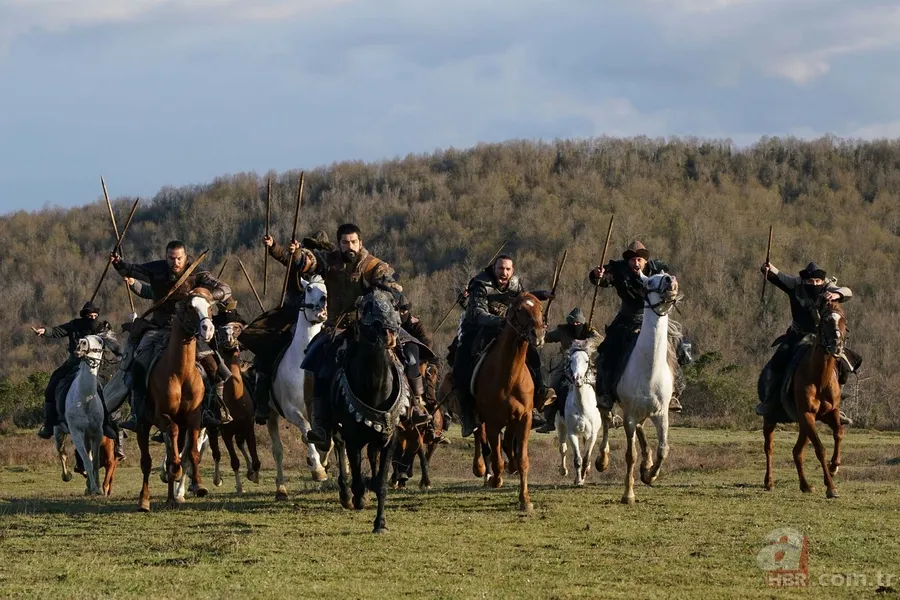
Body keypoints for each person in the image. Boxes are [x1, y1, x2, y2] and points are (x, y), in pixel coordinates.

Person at [293, 223, 414, 452]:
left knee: (411, 353)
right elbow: (308, 261)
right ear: (339, 243)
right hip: (337, 329)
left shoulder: (373, 265)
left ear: (361, 242)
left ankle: (416, 407)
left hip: (371, 328)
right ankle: (321, 426)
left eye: (354, 242)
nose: (350, 246)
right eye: (345, 242)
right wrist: (289, 252)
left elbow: (391, 285)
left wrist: (394, 294)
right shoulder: (329, 260)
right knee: (316, 361)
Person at [112, 240, 232, 431]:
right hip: (158, 328)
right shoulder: (156, 269)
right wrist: (118, 263)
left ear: (186, 257)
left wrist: (206, 296)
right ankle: (137, 413)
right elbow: (132, 270)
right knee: (138, 364)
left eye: (179, 258)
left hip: (188, 331)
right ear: (166, 257)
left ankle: (213, 409)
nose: (175, 262)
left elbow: (226, 289)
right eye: (171, 258)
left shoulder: (198, 273)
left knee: (212, 365)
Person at [452, 254, 556, 437]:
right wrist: (501, 321)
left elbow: (522, 298)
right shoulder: (480, 283)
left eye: (508, 269)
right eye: (501, 268)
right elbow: (478, 312)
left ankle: (538, 394)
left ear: (512, 271)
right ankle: (468, 414)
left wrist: (541, 295)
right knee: (461, 364)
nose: (504, 273)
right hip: (477, 327)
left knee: (530, 351)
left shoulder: (515, 283)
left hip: (506, 326)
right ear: (494, 269)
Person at [589, 240, 690, 412]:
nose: (636, 263)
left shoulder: (657, 270)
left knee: (676, 346)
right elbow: (604, 278)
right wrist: (597, 275)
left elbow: (670, 285)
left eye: (639, 260)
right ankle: (605, 394)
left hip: (653, 319)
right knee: (608, 351)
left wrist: (673, 285)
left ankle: (673, 393)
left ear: (645, 261)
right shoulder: (618, 269)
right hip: (626, 319)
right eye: (632, 260)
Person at [245, 230, 333, 425]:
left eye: (318, 248)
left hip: (324, 316)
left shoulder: (329, 266)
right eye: (312, 247)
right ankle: (262, 401)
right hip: (292, 314)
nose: (315, 252)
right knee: (267, 351)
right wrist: (273, 245)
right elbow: (286, 257)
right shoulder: (297, 261)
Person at [756, 261, 858, 425]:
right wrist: (768, 268)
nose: (814, 284)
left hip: (822, 338)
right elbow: (778, 276)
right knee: (777, 362)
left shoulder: (828, 288)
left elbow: (847, 291)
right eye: (811, 282)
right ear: (804, 281)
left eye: (817, 281)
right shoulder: (795, 286)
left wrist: (836, 295)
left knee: (845, 364)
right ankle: (769, 400)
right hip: (797, 336)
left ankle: (836, 405)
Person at [33, 302, 124, 458]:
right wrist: (45, 331)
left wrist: (122, 355)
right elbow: (57, 331)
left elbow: (114, 345)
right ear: (84, 316)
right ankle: (49, 424)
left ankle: (112, 431)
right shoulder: (75, 325)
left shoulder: (102, 328)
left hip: (96, 368)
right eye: (90, 316)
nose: (93, 318)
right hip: (73, 365)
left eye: (95, 316)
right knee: (52, 385)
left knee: (106, 394)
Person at [535, 307, 602, 433]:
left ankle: (609, 414)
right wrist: (542, 331)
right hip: (565, 363)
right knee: (553, 388)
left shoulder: (589, 331)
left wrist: (587, 342)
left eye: (578, 323)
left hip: (585, 363)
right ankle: (549, 421)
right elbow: (547, 338)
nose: (575, 325)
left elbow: (601, 339)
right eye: (573, 323)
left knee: (600, 384)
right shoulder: (562, 331)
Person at [397, 294, 449, 444]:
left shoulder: (416, 324)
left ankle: (436, 424)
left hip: (424, 359)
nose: (401, 313)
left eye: (404, 310)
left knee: (428, 387)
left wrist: (417, 345)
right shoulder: (392, 324)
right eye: (398, 310)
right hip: (402, 360)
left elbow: (427, 343)